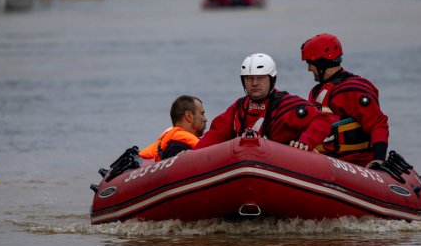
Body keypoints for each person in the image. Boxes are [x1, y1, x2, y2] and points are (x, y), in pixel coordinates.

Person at [194, 53, 331, 151]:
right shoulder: (239, 108)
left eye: (260, 78)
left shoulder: (287, 105)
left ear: (271, 80)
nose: (254, 83)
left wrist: (305, 141)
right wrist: (193, 154)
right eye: (249, 78)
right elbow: (216, 134)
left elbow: (322, 120)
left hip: (281, 166)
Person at [300, 33, 389, 167]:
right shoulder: (316, 92)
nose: (308, 69)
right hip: (325, 161)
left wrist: (379, 158)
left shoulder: (352, 89)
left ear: (321, 62)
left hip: (354, 164)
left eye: (310, 63)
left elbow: (377, 123)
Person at [139, 95, 207, 162]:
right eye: (202, 114)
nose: (205, 119)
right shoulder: (177, 147)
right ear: (189, 116)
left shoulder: (173, 144)